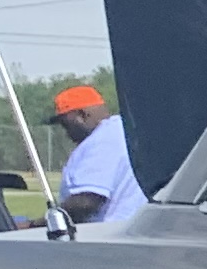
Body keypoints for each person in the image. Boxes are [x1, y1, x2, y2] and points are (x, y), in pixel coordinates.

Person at [47, 83, 145, 225]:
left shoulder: (103, 139)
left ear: (82, 115)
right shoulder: (126, 130)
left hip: (105, 233)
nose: (67, 133)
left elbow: (85, 202)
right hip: (131, 228)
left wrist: (38, 224)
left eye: (66, 125)